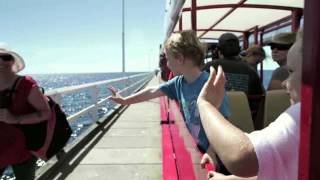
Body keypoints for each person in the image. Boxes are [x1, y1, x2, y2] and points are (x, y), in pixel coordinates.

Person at [109, 30, 230, 172]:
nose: (166, 64)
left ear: (179, 58)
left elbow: (224, 121)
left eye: (168, 58)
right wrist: (125, 101)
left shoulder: (211, 84)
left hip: (218, 152)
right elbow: (152, 91)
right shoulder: (178, 82)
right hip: (199, 148)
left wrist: (212, 151)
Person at [197, 29, 303, 180]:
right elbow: (260, 101)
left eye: (291, 72)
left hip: (230, 143)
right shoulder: (251, 72)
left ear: (219, 52)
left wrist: (205, 104)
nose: (285, 83)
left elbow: (242, 157)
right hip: (250, 135)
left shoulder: (209, 69)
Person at [0, 45, 51, 180]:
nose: (1, 61)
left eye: (5, 57)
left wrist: (15, 119)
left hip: (22, 149)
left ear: (12, 61)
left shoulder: (25, 84)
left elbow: (46, 113)